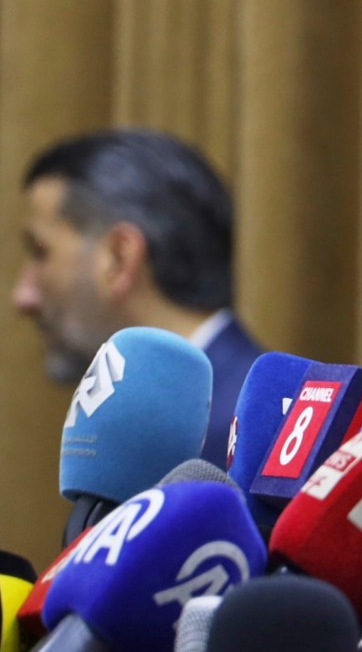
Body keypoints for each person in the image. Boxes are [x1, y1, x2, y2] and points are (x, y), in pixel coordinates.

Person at [14, 128, 263, 464]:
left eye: (41, 252)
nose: (23, 297)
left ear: (119, 258)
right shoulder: (138, 429)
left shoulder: (257, 437)